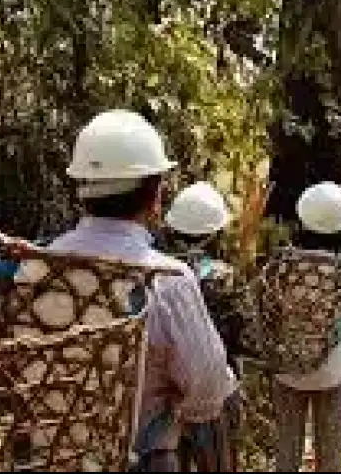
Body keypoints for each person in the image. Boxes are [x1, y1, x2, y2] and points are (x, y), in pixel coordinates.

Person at [20, 109, 238, 471]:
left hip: (51, 455)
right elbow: (208, 390)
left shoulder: (35, 267)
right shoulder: (167, 279)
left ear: (82, 193)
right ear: (154, 197)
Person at [271, 181, 341, 472]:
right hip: (335, 367)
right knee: (329, 453)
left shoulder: (280, 264)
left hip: (288, 367)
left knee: (286, 450)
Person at [163, 181, 240, 471]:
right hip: (215, 388)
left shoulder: (159, 271)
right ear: (215, 232)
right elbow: (239, 335)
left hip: (167, 392)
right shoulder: (222, 276)